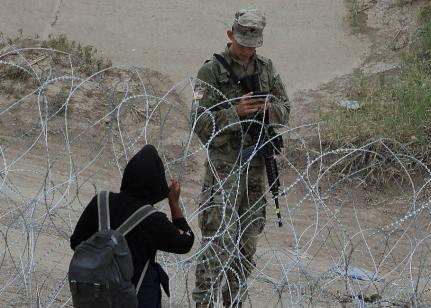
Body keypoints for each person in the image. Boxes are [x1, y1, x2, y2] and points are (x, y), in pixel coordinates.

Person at [191, 8, 290, 308]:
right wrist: (236, 112)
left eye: (253, 45)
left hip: (255, 168)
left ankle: (233, 301)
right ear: (230, 35)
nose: (247, 50)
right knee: (217, 238)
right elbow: (198, 123)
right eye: (242, 43)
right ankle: (204, 302)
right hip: (224, 167)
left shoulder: (265, 69)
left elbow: (285, 110)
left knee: (246, 243)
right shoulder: (211, 72)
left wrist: (266, 108)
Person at [70, 144, 194, 308]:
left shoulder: (101, 202)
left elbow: (76, 242)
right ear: (155, 183)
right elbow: (186, 241)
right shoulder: (152, 220)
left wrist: (102, 259)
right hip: (134, 298)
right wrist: (174, 203)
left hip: (96, 295)